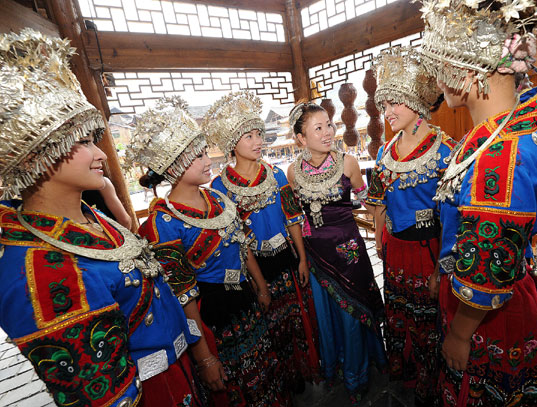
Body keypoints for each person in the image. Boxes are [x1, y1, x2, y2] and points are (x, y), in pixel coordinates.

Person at [0, 29, 205, 407]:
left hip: (176, 375)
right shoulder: (40, 268)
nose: (102, 154)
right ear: (37, 154)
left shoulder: (94, 219)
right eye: (84, 141)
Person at [419, 0, 537, 405]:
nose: (441, 85)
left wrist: (459, 334)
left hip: (489, 316)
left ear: (469, 74)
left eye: (443, 72)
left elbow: (490, 266)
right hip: (497, 297)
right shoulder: (510, 123)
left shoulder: (499, 156)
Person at [131, 96, 292, 406]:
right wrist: (204, 357)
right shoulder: (163, 223)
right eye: (196, 157)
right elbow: (183, 295)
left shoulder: (217, 200)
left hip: (244, 299)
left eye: (204, 153)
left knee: (266, 375)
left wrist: (260, 287)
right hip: (212, 317)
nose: (207, 162)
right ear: (173, 165)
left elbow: (243, 244)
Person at [206, 91, 321, 392]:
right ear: (233, 143)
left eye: (259, 134)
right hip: (254, 269)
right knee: (269, 329)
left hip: (286, 259)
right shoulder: (220, 189)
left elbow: (293, 218)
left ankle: (302, 374)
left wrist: (303, 259)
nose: (258, 141)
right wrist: (258, 284)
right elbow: (235, 241)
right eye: (248, 136)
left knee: (296, 320)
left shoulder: (276, 174)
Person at [366, 45, 456, 406]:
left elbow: (452, 219)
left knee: (429, 317)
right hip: (396, 250)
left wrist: (440, 268)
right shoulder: (385, 152)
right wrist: (379, 235)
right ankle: (404, 369)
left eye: (394, 103)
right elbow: (379, 200)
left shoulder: (444, 150)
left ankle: (429, 381)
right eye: (383, 105)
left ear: (416, 103)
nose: (387, 113)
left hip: (429, 251)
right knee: (400, 310)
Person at [287, 102, 386, 405]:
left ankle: (357, 375)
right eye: (318, 128)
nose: (328, 132)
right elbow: (298, 220)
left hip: (349, 251)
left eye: (329, 124)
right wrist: (302, 258)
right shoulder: (292, 172)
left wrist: (384, 224)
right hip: (317, 255)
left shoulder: (348, 163)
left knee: (351, 313)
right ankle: (336, 366)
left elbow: (371, 203)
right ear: (301, 138)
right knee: (327, 316)